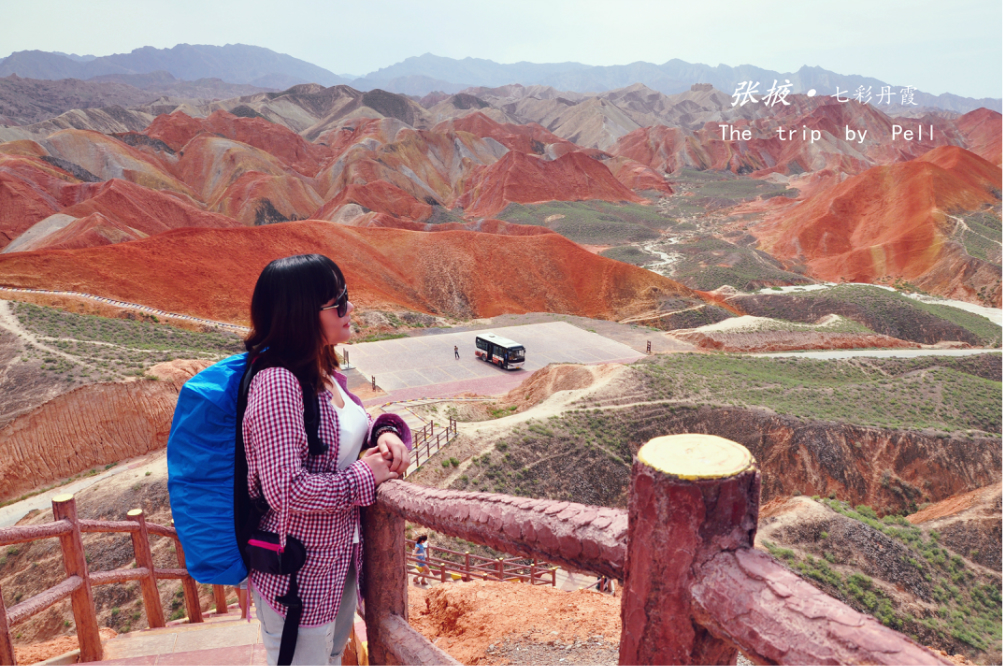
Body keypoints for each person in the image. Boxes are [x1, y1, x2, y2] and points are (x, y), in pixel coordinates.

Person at [242, 254, 411, 665]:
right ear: (302, 313)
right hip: (298, 578)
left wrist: (388, 431)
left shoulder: (321, 373)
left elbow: (356, 429)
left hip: (338, 563)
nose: (350, 309)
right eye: (340, 301)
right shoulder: (277, 383)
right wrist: (362, 478)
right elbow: (285, 489)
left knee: (332, 657)